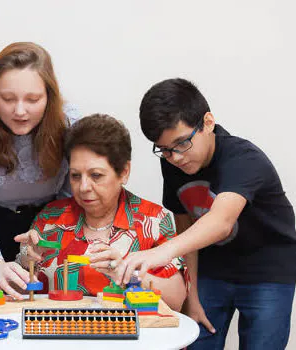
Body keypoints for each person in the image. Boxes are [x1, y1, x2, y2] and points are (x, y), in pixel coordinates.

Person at [118, 78, 296, 349]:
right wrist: (193, 294)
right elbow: (185, 225)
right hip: (214, 267)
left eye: (181, 144)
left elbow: (221, 222)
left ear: (208, 123)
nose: (175, 157)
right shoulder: (174, 164)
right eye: (165, 150)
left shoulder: (244, 159)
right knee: (196, 340)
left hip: (268, 269)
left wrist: (158, 253)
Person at [15, 114, 188, 311]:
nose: (84, 187)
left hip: (130, 339)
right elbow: (15, 294)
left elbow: (176, 300)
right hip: (58, 336)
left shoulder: (153, 221)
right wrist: (26, 260)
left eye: (96, 175)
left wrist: (127, 274)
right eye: (75, 176)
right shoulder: (51, 218)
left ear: (124, 172)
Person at [0, 42, 80, 298]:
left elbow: (73, 194)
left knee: (49, 312)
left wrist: (48, 237)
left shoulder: (69, 124)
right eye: (8, 99)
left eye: (33, 99)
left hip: (50, 223)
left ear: (49, 96)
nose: (20, 111)